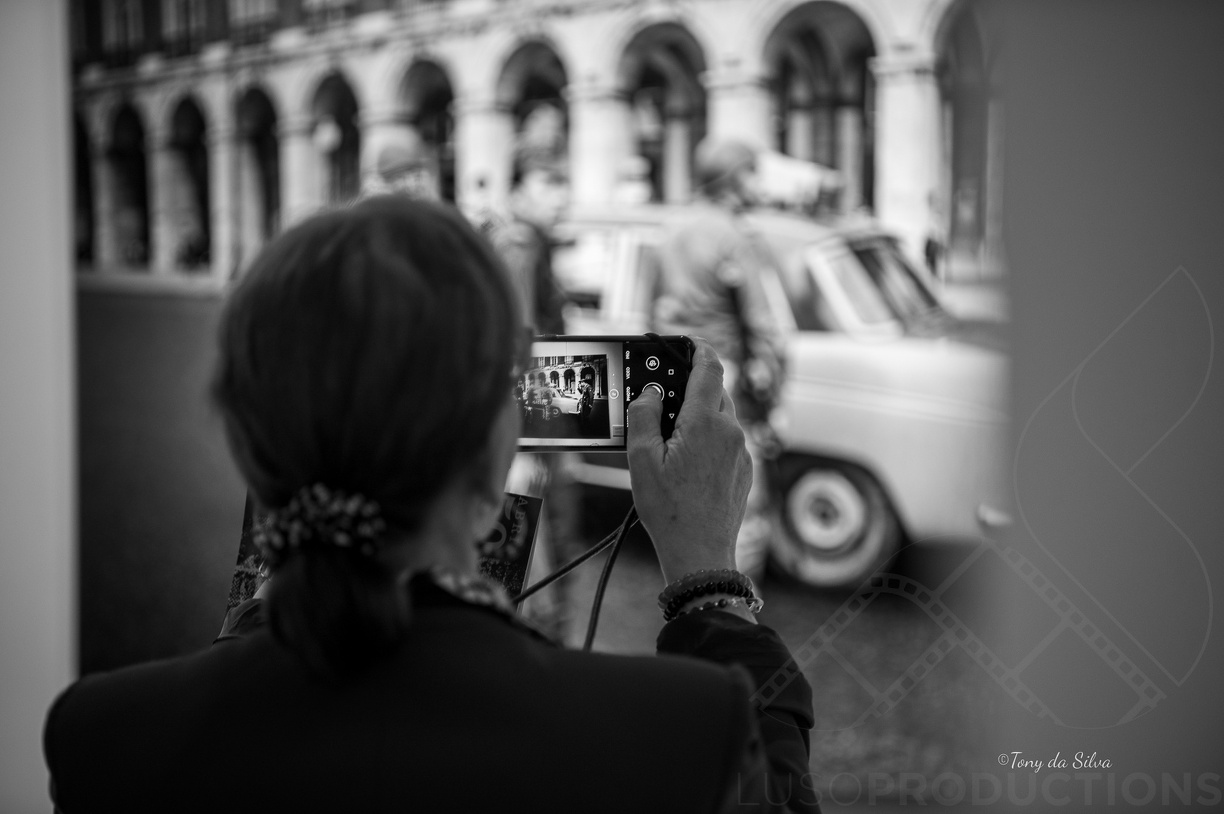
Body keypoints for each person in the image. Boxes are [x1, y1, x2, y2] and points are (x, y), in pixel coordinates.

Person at [42, 197, 819, 813]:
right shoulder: (681, 734)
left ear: (249, 441)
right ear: (498, 444)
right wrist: (707, 584)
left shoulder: (105, 737)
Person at [652, 138, 787, 583]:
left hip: (673, 374)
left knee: (687, 493)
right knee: (741, 499)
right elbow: (764, 326)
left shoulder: (670, 228)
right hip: (723, 379)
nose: (758, 182)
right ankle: (735, 606)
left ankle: (690, 599)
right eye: (752, 172)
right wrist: (773, 399)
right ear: (734, 178)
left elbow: (653, 309)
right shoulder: (736, 236)